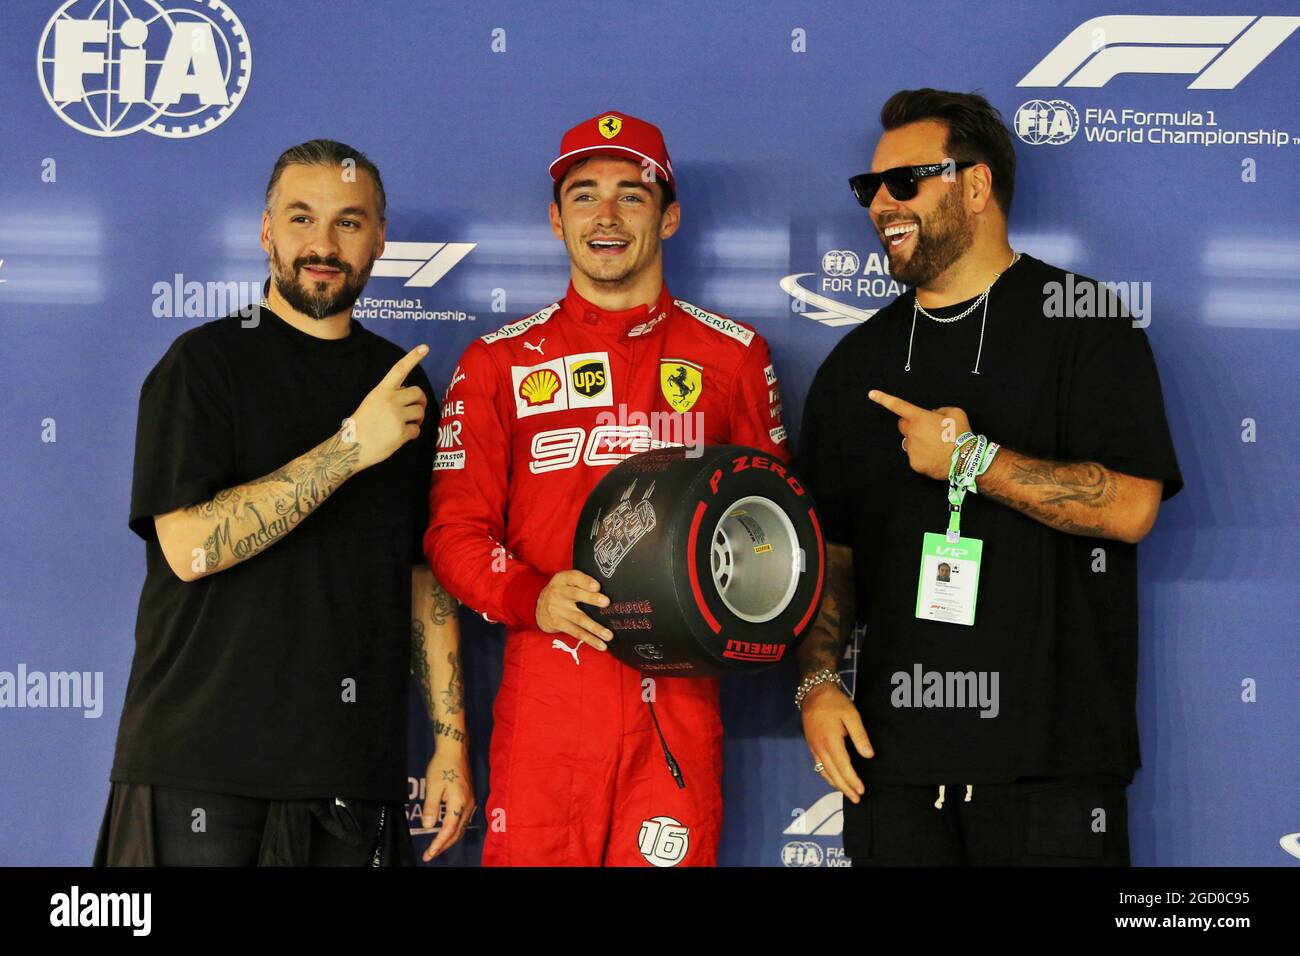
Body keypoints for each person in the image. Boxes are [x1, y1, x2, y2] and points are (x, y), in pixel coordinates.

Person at [796, 90, 1182, 866]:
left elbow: (1132, 507)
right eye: (868, 188)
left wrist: (974, 461)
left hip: (1054, 770)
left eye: (906, 182)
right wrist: (816, 686)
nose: (880, 203)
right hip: (895, 773)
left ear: (976, 187)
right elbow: (829, 555)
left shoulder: (1083, 322)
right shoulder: (852, 367)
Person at [95, 140, 472, 866]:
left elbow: (425, 579)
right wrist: (351, 449)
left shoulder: (405, 389)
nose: (323, 245)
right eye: (301, 219)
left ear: (381, 239)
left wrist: (450, 747)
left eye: (349, 222)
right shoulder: (202, 366)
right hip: (196, 771)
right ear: (267, 232)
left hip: (348, 778)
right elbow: (190, 548)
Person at [425, 111, 788, 866]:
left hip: (679, 702)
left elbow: (779, 541)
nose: (608, 217)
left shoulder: (735, 357)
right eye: (585, 196)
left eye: (633, 194)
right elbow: (453, 536)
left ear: (670, 214)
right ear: (557, 220)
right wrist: (533, 596)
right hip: (548, 695)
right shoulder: (496, 364)